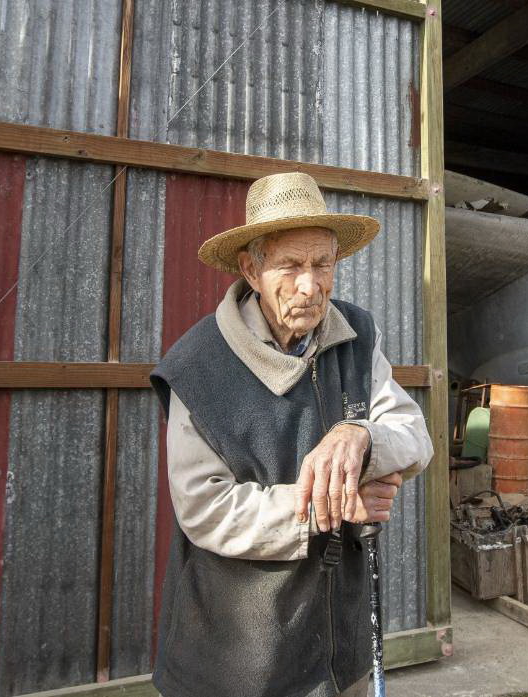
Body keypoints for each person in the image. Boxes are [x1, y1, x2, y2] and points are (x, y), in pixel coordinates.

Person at [149, 172, 433, 697]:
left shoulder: (355, 335)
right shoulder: (197, 365)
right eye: (290, 266)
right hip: (238, 657)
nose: (310, 285)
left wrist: (362, 438)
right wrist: (332, 501)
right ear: (251, 270)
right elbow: (204, 508)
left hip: (338, 638)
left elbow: (414, 433)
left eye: (322, 265)